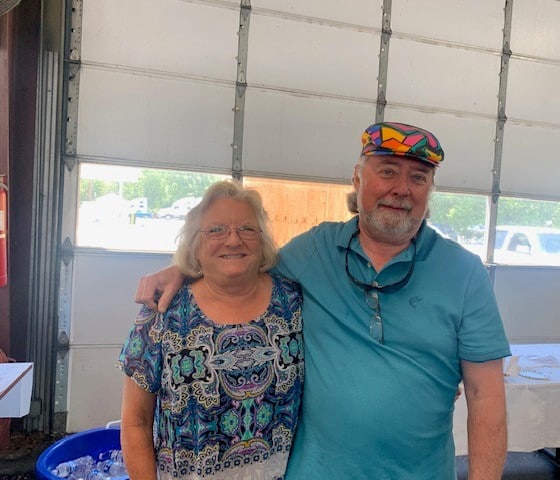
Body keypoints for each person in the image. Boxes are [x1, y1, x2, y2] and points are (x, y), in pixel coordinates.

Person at [135, 122, 511, 480]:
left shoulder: (465, 273)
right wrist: (182, 269)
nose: (402, 188)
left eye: (418, 177)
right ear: (358, 178)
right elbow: (242, 260)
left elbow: (486, 396)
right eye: (388, 171)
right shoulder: (315, 251)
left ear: (430, 191)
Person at [119, 180, 304, 480]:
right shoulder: (163, 311)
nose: (233, 240)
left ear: (262, 240)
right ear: (195, 243)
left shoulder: (294, 302)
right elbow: (135, 422)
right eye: (216, 230)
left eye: (247, 229)